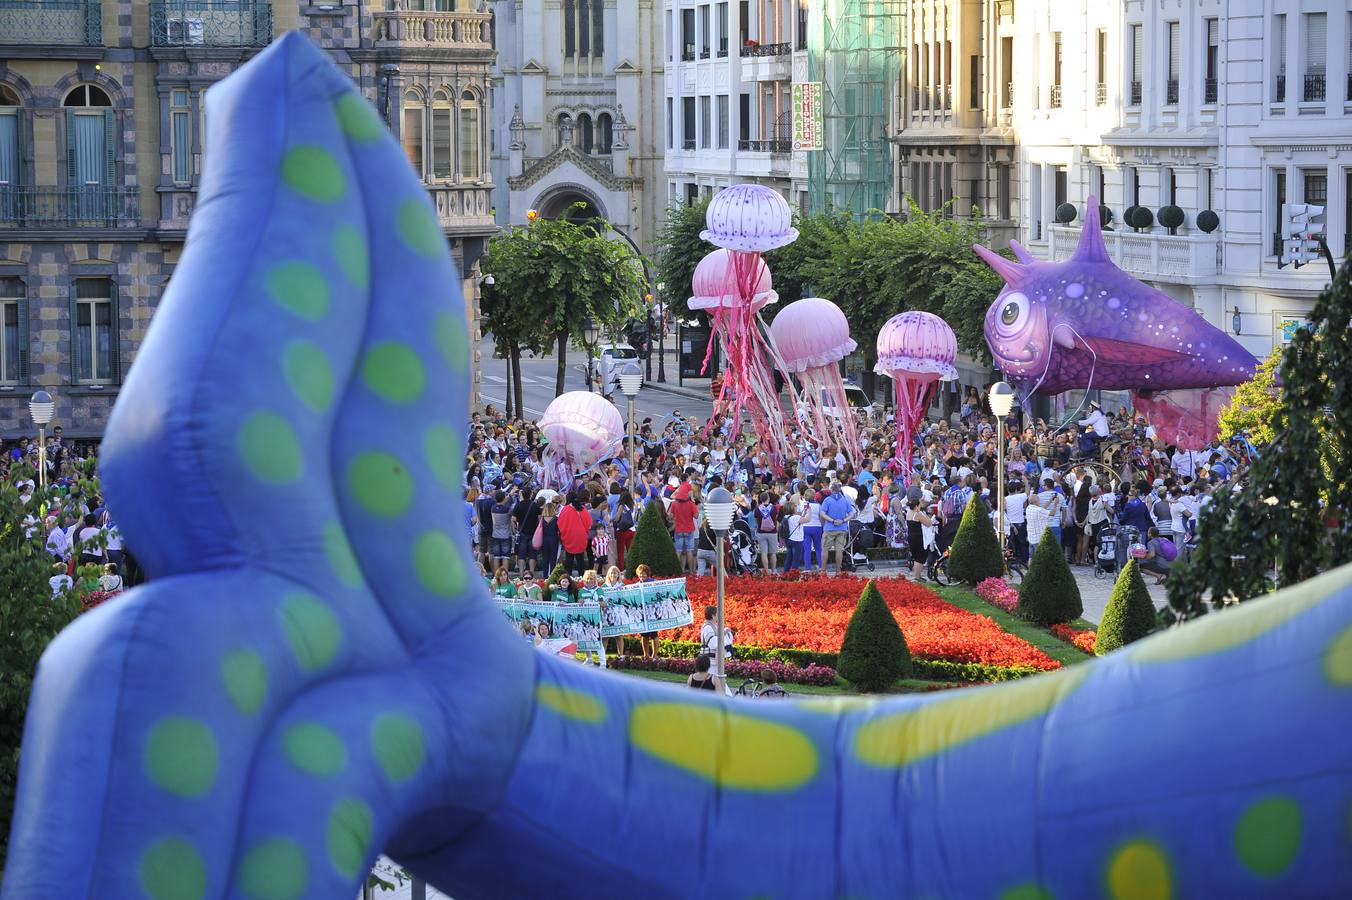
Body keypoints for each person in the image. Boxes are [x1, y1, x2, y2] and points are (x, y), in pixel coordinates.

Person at [820, 481, 853, 574]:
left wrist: (832, 520)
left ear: (831, 489)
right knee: (839, 550)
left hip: (829, 528)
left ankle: (823, 570)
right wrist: (843, 520)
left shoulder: (827, 500)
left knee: (825, 549)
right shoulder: (845, 500)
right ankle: (838, 571)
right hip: (842, 528)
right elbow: (851, 514)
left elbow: (822, 513)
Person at [557, 494, 592, 575]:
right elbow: (589, 522)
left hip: (569, 536)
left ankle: (568, 577)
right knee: (580, 558)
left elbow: (560, 523)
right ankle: (581, 577)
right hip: (581, 535)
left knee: (569, 558)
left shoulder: (565, 509)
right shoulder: (582, 508)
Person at [669, 482, 699, 574]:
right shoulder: (691, 504)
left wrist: (676, 517)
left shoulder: (674, 504)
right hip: (689, 530)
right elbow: (696, 516)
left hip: (678, 530)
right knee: (689, 551)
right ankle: (691, 571)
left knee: (678, 551)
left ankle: (677, 571)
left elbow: (670, 516)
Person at [906, 497, 935, 581]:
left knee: (916, 556)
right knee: (921, 556)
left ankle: (917, 575)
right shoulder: (917, 514)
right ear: (916, 506)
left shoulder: (909, 513)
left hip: (911, 536)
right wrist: (924, 514)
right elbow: (928, 523)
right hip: (918, 537)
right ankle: (917, 577)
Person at [754, 492, 779, 572]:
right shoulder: (774, 507)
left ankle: (766, 571)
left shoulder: (758, 508)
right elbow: (776, 518)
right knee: (773, 553)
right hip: (772, 532)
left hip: (761, 532)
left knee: (764, 553)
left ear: (760, 499)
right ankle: (774, 571)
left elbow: (756, 520)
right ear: (768, 498)